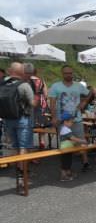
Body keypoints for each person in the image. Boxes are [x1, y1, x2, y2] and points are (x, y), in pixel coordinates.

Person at [49, 65, 93, 172]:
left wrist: (84, 102)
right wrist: (54, 117)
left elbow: (90, 92)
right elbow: (52, 103)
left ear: (72, 73)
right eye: (66, 73)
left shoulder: (78, 86)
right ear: (62, 74)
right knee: (65, 143)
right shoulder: (56, 86)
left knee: (81, 140)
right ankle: (66, 168)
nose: (68, 75)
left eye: (70, 73)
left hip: (76, 119)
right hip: (62, 120)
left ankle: (85, 162)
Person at [0, 62, 35, 192]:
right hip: (22, 119)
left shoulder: (2, 83)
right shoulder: (24, 85)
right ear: (21, 72)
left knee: (15, 145)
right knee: (23, 146)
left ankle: (18, 172)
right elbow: (32, 103)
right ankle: (22, 173)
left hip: (7, 119)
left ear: (10, 71)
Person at [58, 111, 88, 181]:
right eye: (71, 122)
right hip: (65, 149)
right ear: (65, 122)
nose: (72, 123)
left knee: (68, 161)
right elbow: (73, 138)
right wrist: (82, 141)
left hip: (68, 148)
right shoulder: (65, 129)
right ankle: (63, 176)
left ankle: (68, 173)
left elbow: (71, 139)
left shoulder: (66, 129)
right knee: (65, 163)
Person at [24, 63, 49, 148]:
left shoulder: (26, 80)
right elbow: (46, 94)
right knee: (41, 123)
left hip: (29, 103)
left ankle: (29, 143)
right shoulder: (41, 80)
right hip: (41, 104)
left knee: (29, 123)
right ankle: (41, 140)